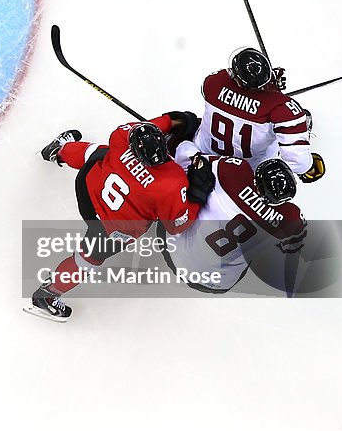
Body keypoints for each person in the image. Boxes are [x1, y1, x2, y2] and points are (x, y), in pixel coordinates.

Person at [26, 112, 215, 321]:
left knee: (98, 153)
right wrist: (197, 196)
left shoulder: (121, 136)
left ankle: (59, 150)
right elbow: (176, 226)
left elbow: (150, 125)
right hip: (113, 228)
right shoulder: (172, 181)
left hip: (89, 195)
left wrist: (172, 119)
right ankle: (46, 297)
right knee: (87, 260)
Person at [160, 156, 307, 293]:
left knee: (189, 191)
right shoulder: (291, 218)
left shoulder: (233, 172)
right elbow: (292, 249)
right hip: (220, 284)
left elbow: (195, 158)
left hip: (174, 257)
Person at [186, 47, 325, 182]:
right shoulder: (282, 107)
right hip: (248, 172)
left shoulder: (213, 82)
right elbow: (297, 161)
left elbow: (231, 93)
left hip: (202, 157)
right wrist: (307, 167)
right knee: (285, 128)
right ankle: (296, 133)